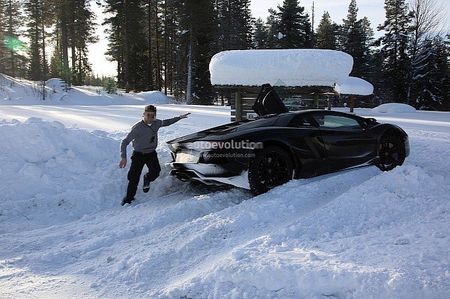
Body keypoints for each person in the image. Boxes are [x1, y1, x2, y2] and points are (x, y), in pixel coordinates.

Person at [119, 105, 190, 205]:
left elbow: (167, 122)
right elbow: (125, 142)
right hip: (138, 155)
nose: (150, 118)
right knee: (133, 177)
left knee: (156, 172)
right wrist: (123, 157)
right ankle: (129, 199)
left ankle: (147, 178)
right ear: (143, 115)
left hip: (151, 153)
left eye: (153, 116)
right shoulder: (137, 128)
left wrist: (179, 117)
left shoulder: (156, 123)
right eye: (148, 115)